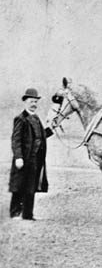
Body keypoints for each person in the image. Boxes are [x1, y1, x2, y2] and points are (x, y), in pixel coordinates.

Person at [8, 88, 53, 221]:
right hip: (24, 158)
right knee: (19, 185)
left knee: (31, 187)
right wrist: (18, 157)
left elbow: (40, 135)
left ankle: (28, 215)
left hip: (35, 159)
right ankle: (15, 213)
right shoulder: (20, 119)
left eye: (35, 101)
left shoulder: (36, 118)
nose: (34, 104)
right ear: (25, 102)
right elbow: (16, 140)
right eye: (31, 101)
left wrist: (51, 129)